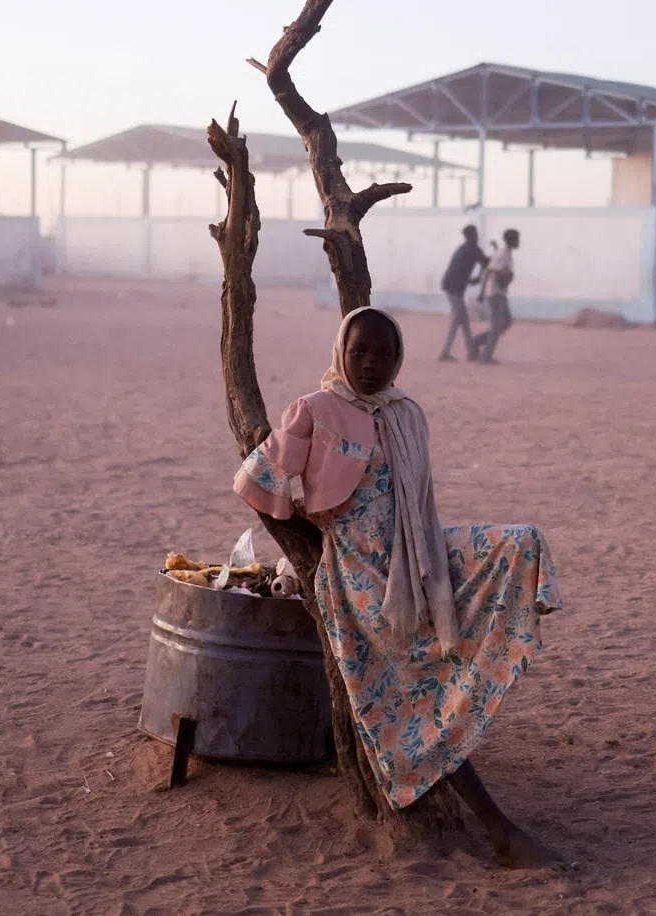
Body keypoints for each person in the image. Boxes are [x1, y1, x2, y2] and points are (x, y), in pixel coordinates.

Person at [234, 307, 562, 864]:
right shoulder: (314, 411)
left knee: (519, 542)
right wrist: (308, 527)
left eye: (384, 354)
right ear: (342, 349)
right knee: (419, 691)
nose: (371, 364)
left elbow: (422, 502)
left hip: (419, 554)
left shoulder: (406, 412)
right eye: (360, 351)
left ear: (398, 358)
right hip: (360, 575)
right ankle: (499, 831)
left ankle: (513, 624)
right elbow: (254, 480)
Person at [438, 225, 488, 362]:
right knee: (457, 320)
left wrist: (476, 278)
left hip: (451, 286)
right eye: (475, 234)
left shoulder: (463, 248)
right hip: (454, 288)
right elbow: (486, 263)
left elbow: (481, 264)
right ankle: (446, 352)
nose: (477, 237)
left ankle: (471, 351)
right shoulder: (473, 249)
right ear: (472, 236)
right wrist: (477, 279)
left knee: (463, 320)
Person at [473, 228, 520, 365]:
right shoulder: (503, 254)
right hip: (494, 293)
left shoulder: (506, 253)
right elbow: (488, 271)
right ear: (511, 240)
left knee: (506, 322)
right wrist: (482, 293)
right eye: (517, 239)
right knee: (497, 325)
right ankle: (486, 357)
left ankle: (476, 341)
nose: (519, 241)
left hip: (500, 293)